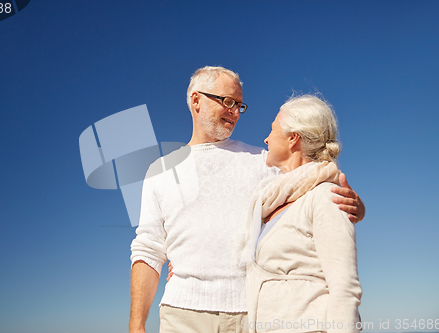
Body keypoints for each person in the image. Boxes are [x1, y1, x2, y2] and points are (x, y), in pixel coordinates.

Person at [129, 66, 364, 333]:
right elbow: (148, 249)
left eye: (240, 105)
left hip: (250, 314)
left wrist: (356, 205)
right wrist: (136, 325)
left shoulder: (263, 162)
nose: (235, 112)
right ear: (196, 100)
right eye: (227, 102)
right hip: (181, 314)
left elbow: (313, 184)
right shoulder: (159, 172)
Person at [241, 95, 362, 333]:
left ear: (293, 138)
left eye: (272, 129)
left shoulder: (326, 197)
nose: (266, 138)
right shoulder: (270, 202)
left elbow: (345, 288)